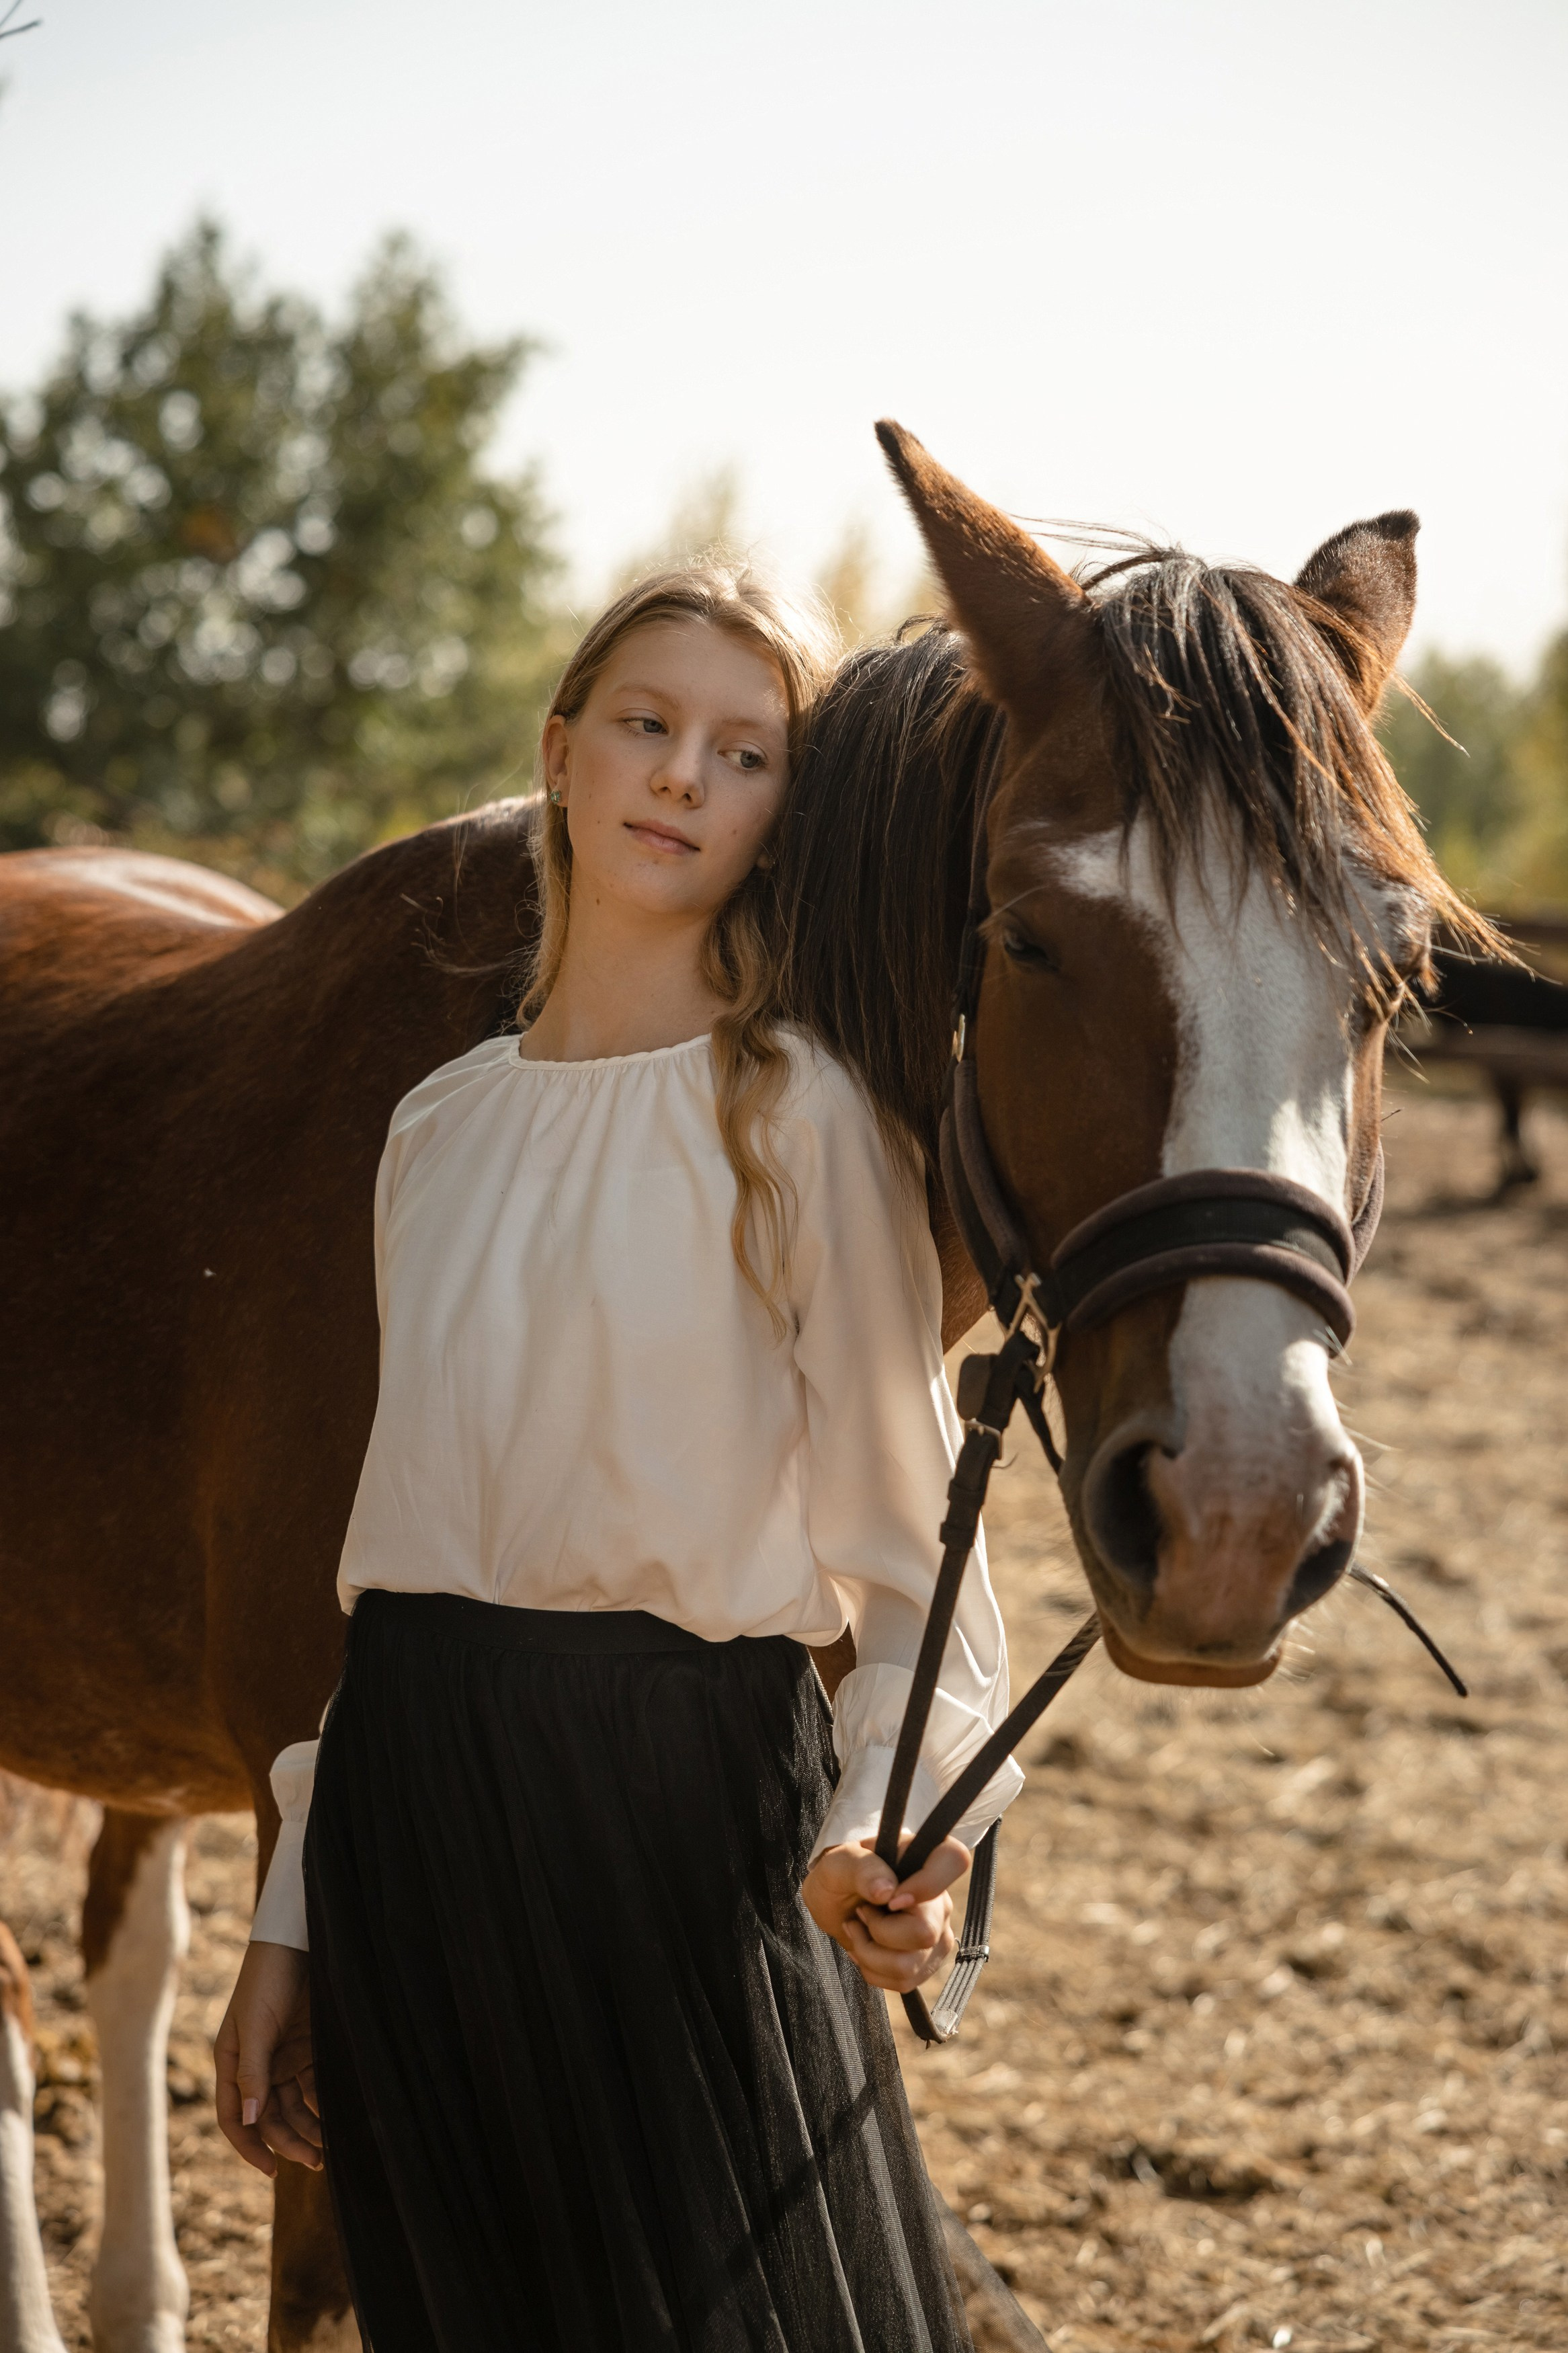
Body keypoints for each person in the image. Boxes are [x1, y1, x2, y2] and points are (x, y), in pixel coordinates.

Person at [215, 561, 1022, 2352]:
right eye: (648, 725)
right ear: (562, 750)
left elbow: (912, 1570)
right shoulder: (435, 1127)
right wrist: (292, 1917)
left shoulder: (806, 1115)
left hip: (686, 1827)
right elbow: (398, 1571)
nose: (682, 775)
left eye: (744, 753)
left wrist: (889, 1818)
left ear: (778, 816)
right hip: (422, 1832)